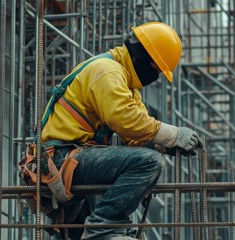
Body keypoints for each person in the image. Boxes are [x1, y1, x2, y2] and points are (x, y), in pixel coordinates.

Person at [40, 22, 203, 240]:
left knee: (74, 235)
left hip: (77, 157)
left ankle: (102, 229)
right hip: (62, 157)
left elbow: (133, 138)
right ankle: (104, 227)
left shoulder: (127, 84)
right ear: (141, 55)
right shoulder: (108, 71)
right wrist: (173, 135)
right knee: (149, 162)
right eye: (155, 69)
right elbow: (127, 121)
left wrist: (164, 145)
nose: (154, 76)